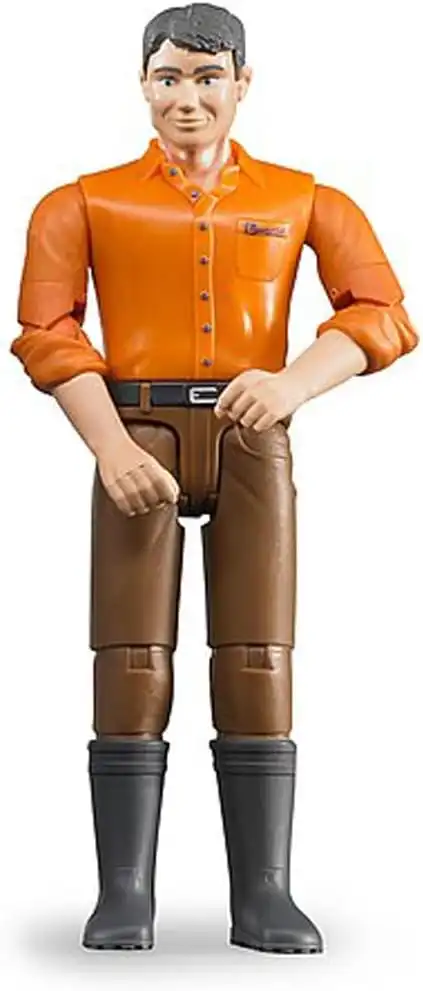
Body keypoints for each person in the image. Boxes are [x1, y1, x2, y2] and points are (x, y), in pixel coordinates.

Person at [11, 1, 418, 955]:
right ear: (141, 86)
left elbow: (382, 312)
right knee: (128, 654)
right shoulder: (81, 203)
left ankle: (264, 890)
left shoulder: (304, 198)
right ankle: (123, 890)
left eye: (206, 77)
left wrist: (292, 383)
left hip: (250, 434)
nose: (186, 97)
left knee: (257, 652)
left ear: (242, 84)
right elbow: (47, 332)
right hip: (136, 433)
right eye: (167, 77)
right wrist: (110, 446)